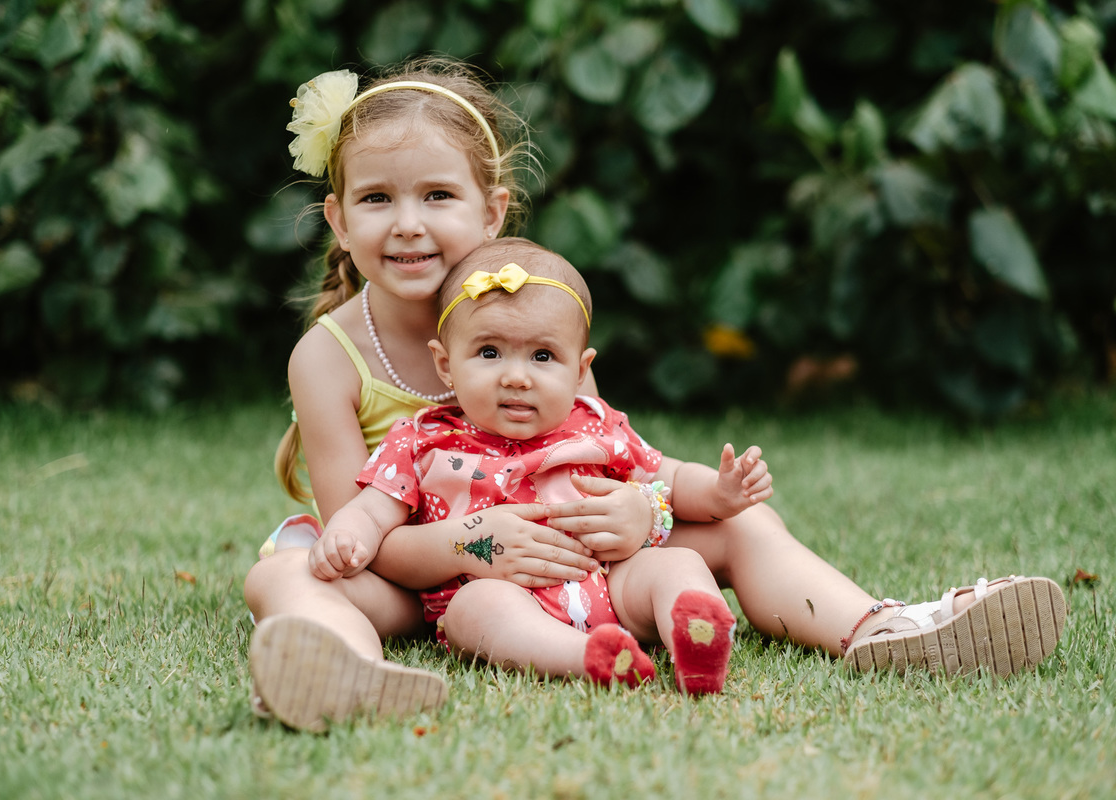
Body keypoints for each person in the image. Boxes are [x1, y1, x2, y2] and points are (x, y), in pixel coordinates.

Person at [244, 58, 1067, 733]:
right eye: (377, 199)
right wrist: (473, 542)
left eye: (438, 196)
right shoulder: (329, 355)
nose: (408, 224)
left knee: (743, 522)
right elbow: (362, 540)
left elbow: (600, 456)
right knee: (286, 574)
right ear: (340, 219)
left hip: (562, 552)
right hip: (418, 569)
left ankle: (876, 629)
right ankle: (347, 664)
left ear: (492, 210)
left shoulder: (539, 311)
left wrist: (647, 516)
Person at [309, 238, 776, 696]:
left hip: (612, 581)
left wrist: (717, 493)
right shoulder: (422, 440)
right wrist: (347, 536)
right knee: (475, 609)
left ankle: (695, 635)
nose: (517, 376)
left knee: (676, 563)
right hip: (499, 592)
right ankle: (589, 656)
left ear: (579, 370)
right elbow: (373, 510)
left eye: (543, 356)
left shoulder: (595, 426)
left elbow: (665, 477)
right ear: (446, 364)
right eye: (489, 353)